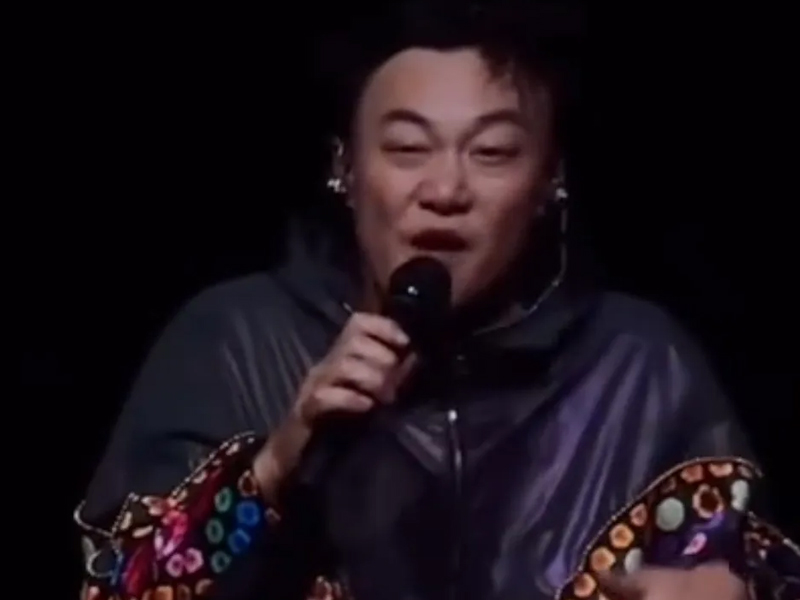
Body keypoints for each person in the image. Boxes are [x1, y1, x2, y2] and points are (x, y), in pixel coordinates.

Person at [75, 1, 799, 599]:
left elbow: (754, 577)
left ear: (550, 181)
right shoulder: (235, 340)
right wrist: (277, 461)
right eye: (407, 149)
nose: (446, 191)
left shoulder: (641, 366)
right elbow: (118, 591)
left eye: (492, 153)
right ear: (345, 169)